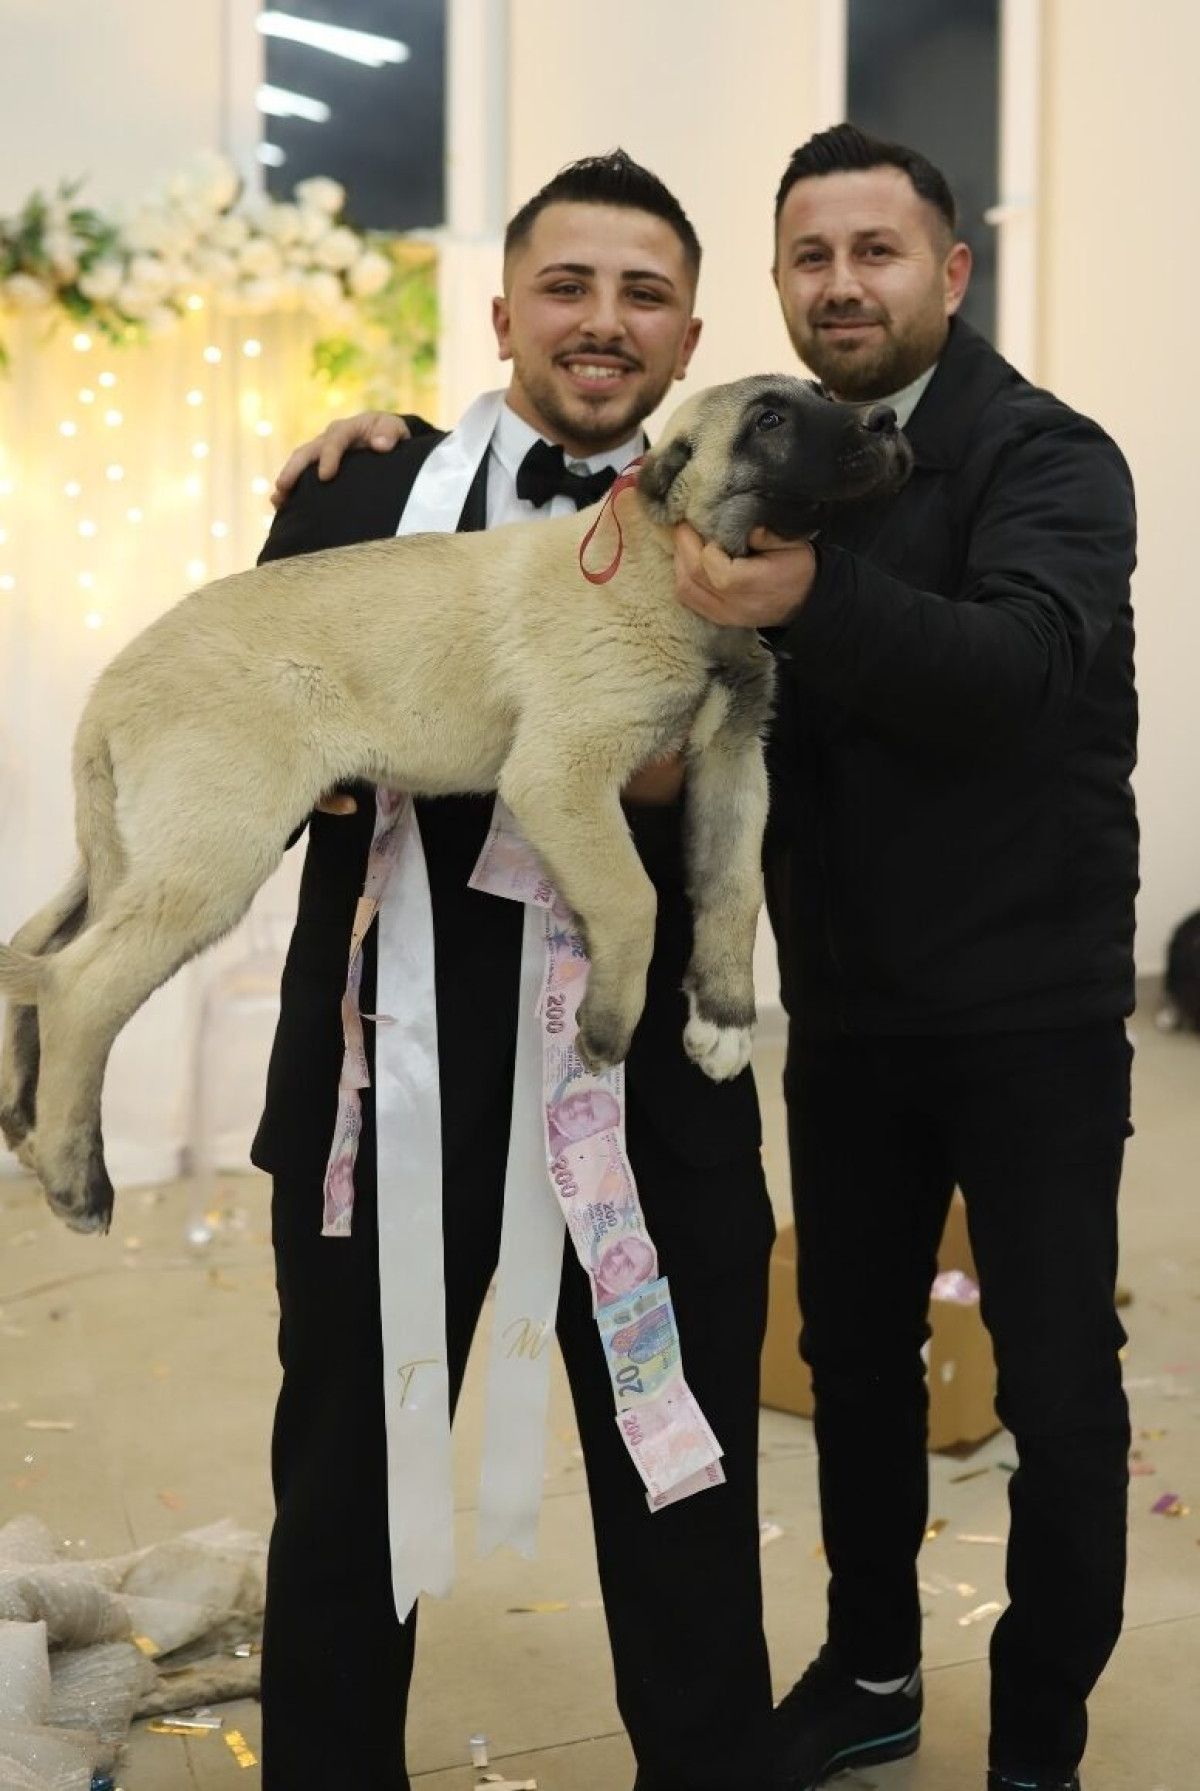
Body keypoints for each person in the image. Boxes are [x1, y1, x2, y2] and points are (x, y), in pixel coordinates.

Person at [254, 151, 777, 1791]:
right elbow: (255, 745)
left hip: (648, 1079)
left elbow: (783, 778)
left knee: (683, 1465)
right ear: (500, 314)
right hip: (388, 1067)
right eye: (567, 285)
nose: (602, 320)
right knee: (345, 1466)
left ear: (688, 337)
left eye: (642, 294)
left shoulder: (761, 530)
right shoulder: (355, 498)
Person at [669, 125, 1137, 1791]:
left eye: (876, 251)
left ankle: (1038, 1739)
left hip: (1031, 1014)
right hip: (854, 1012)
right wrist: (387, 451)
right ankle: (871, 1673)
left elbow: (1017, 671)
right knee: (854, 1370)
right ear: (780, 282)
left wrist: (805, 601)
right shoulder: (784, 456)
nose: (842, 283)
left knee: (1058, 1392)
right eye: (812, 256)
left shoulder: (1050, 456)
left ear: (950, 270)